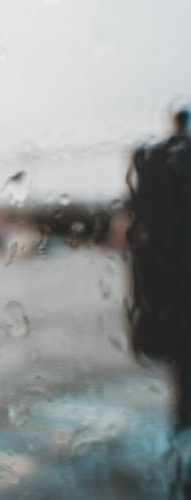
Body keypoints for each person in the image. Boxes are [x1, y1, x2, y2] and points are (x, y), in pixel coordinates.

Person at [126, 108, 191, 497]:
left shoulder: (153, 165)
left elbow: (142, 245)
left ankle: (182, 439)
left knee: (182, 383)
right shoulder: (161, 166)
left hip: (167, 303)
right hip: (172, 301)